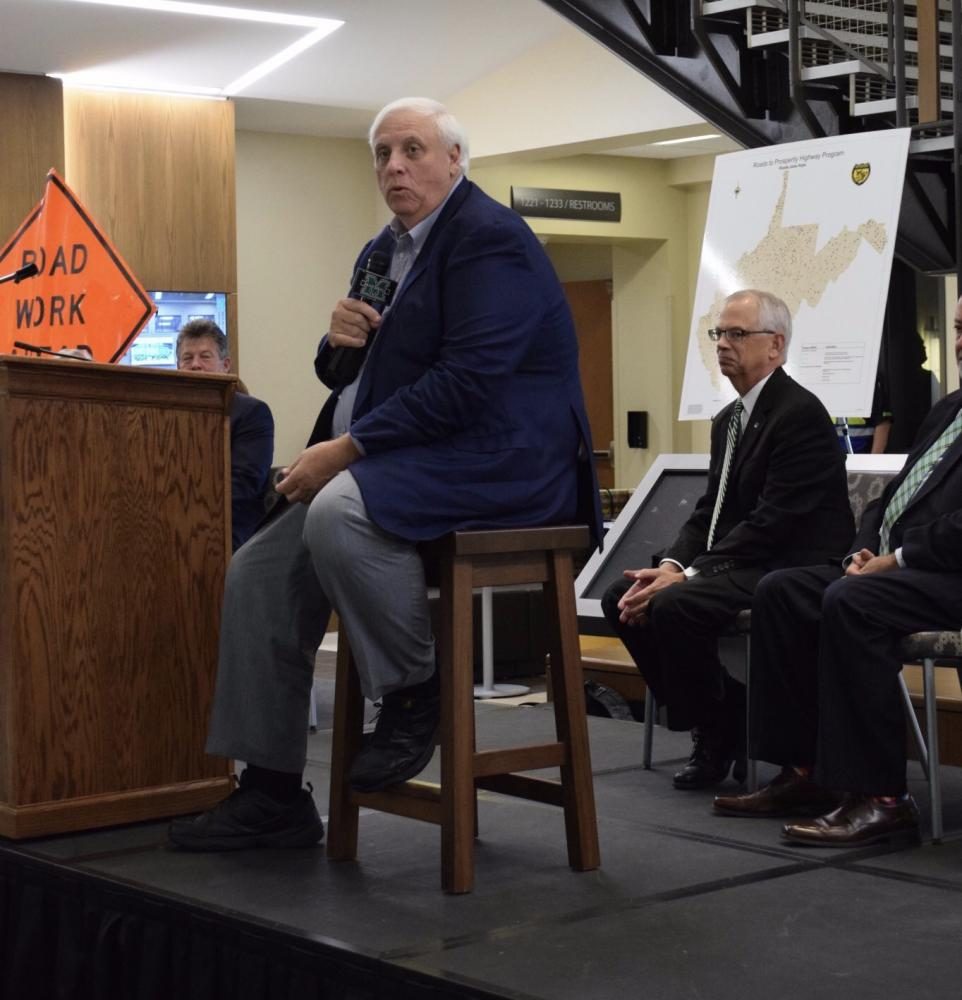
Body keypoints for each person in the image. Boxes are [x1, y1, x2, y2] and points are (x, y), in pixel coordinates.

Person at [168, 97, 600, 851]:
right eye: (382, 154)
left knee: (339, 511)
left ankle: (412, 691)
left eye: (413, 150)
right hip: (407, 463)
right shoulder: (382, 251)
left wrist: (349, 449)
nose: (395, 166)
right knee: (258, 571)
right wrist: (337, 346)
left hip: (504, 464)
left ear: (456, 159)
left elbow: (468, 383)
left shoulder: (490, 240)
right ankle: (271, 790)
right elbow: (350, 369)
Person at [713, 297, 962, 846]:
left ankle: (882, 800)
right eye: (960, 329)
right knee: (784, 590)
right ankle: (805, 772)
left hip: (947, 572)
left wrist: (899, 559)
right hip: (901, 565)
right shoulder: (949, 410)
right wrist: (863, 548)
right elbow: (892, 497)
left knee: (853, 604)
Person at [601, 290, 853, 791]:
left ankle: (717, 728)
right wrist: (674, 565)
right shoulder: (729, 420)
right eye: (719, 333)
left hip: (790, 563)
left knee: (676, 606)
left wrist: (690, 576)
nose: (723, 345)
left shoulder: (799, 414)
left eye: (738, 334)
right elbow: (708, 513)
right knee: (621, 598)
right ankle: (724, 714)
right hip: (743, 560)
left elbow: (773, 523)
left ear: (775, 346)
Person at [176, 319, 274, 551]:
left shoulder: (252, 413)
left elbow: (242, 487)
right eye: (187, 358)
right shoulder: (167, 415)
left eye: (205, 356)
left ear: (226, 364)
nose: (195, 365)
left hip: (227, 528)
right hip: (174, 521)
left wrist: (184, 509)